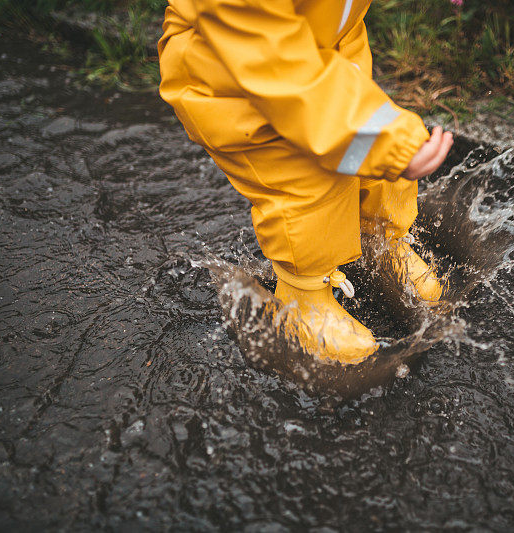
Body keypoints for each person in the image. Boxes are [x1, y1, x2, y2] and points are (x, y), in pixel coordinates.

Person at [158, 0, 454, 364]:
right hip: (231, 80)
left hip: (324, 52)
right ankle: (304, 297)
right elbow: (276, 63)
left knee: (366, 160)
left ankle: (379, 240)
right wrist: (391, 144)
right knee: (306, 181)